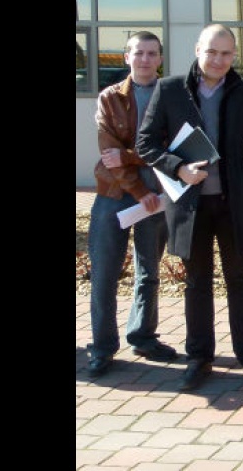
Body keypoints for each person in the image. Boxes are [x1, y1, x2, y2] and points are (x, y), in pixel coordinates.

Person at [136, 24, 243, 392]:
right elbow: (146, 142)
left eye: (226, 53)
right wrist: (178, 168)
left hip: (233, 204)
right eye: (212, 52)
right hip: (190, 206)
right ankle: (199, 358)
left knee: (239, 280)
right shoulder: (170, 90)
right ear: (198, 50)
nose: (218, 60)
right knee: (197, 283)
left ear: (234, 56)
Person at [86, 31, 178, 379]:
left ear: (160, 58)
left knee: (149, 272)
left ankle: (143, 336)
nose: (144, 59)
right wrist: (139, 190)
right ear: (127, 57)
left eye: (151, 53)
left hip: (158, 195)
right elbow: (109, 158)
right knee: (105, 274)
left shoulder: (172, 95)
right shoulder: (110, 97)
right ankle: (103, 348)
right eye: (138, 53)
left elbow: (171, 148)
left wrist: (128, 156)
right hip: (116, 194)